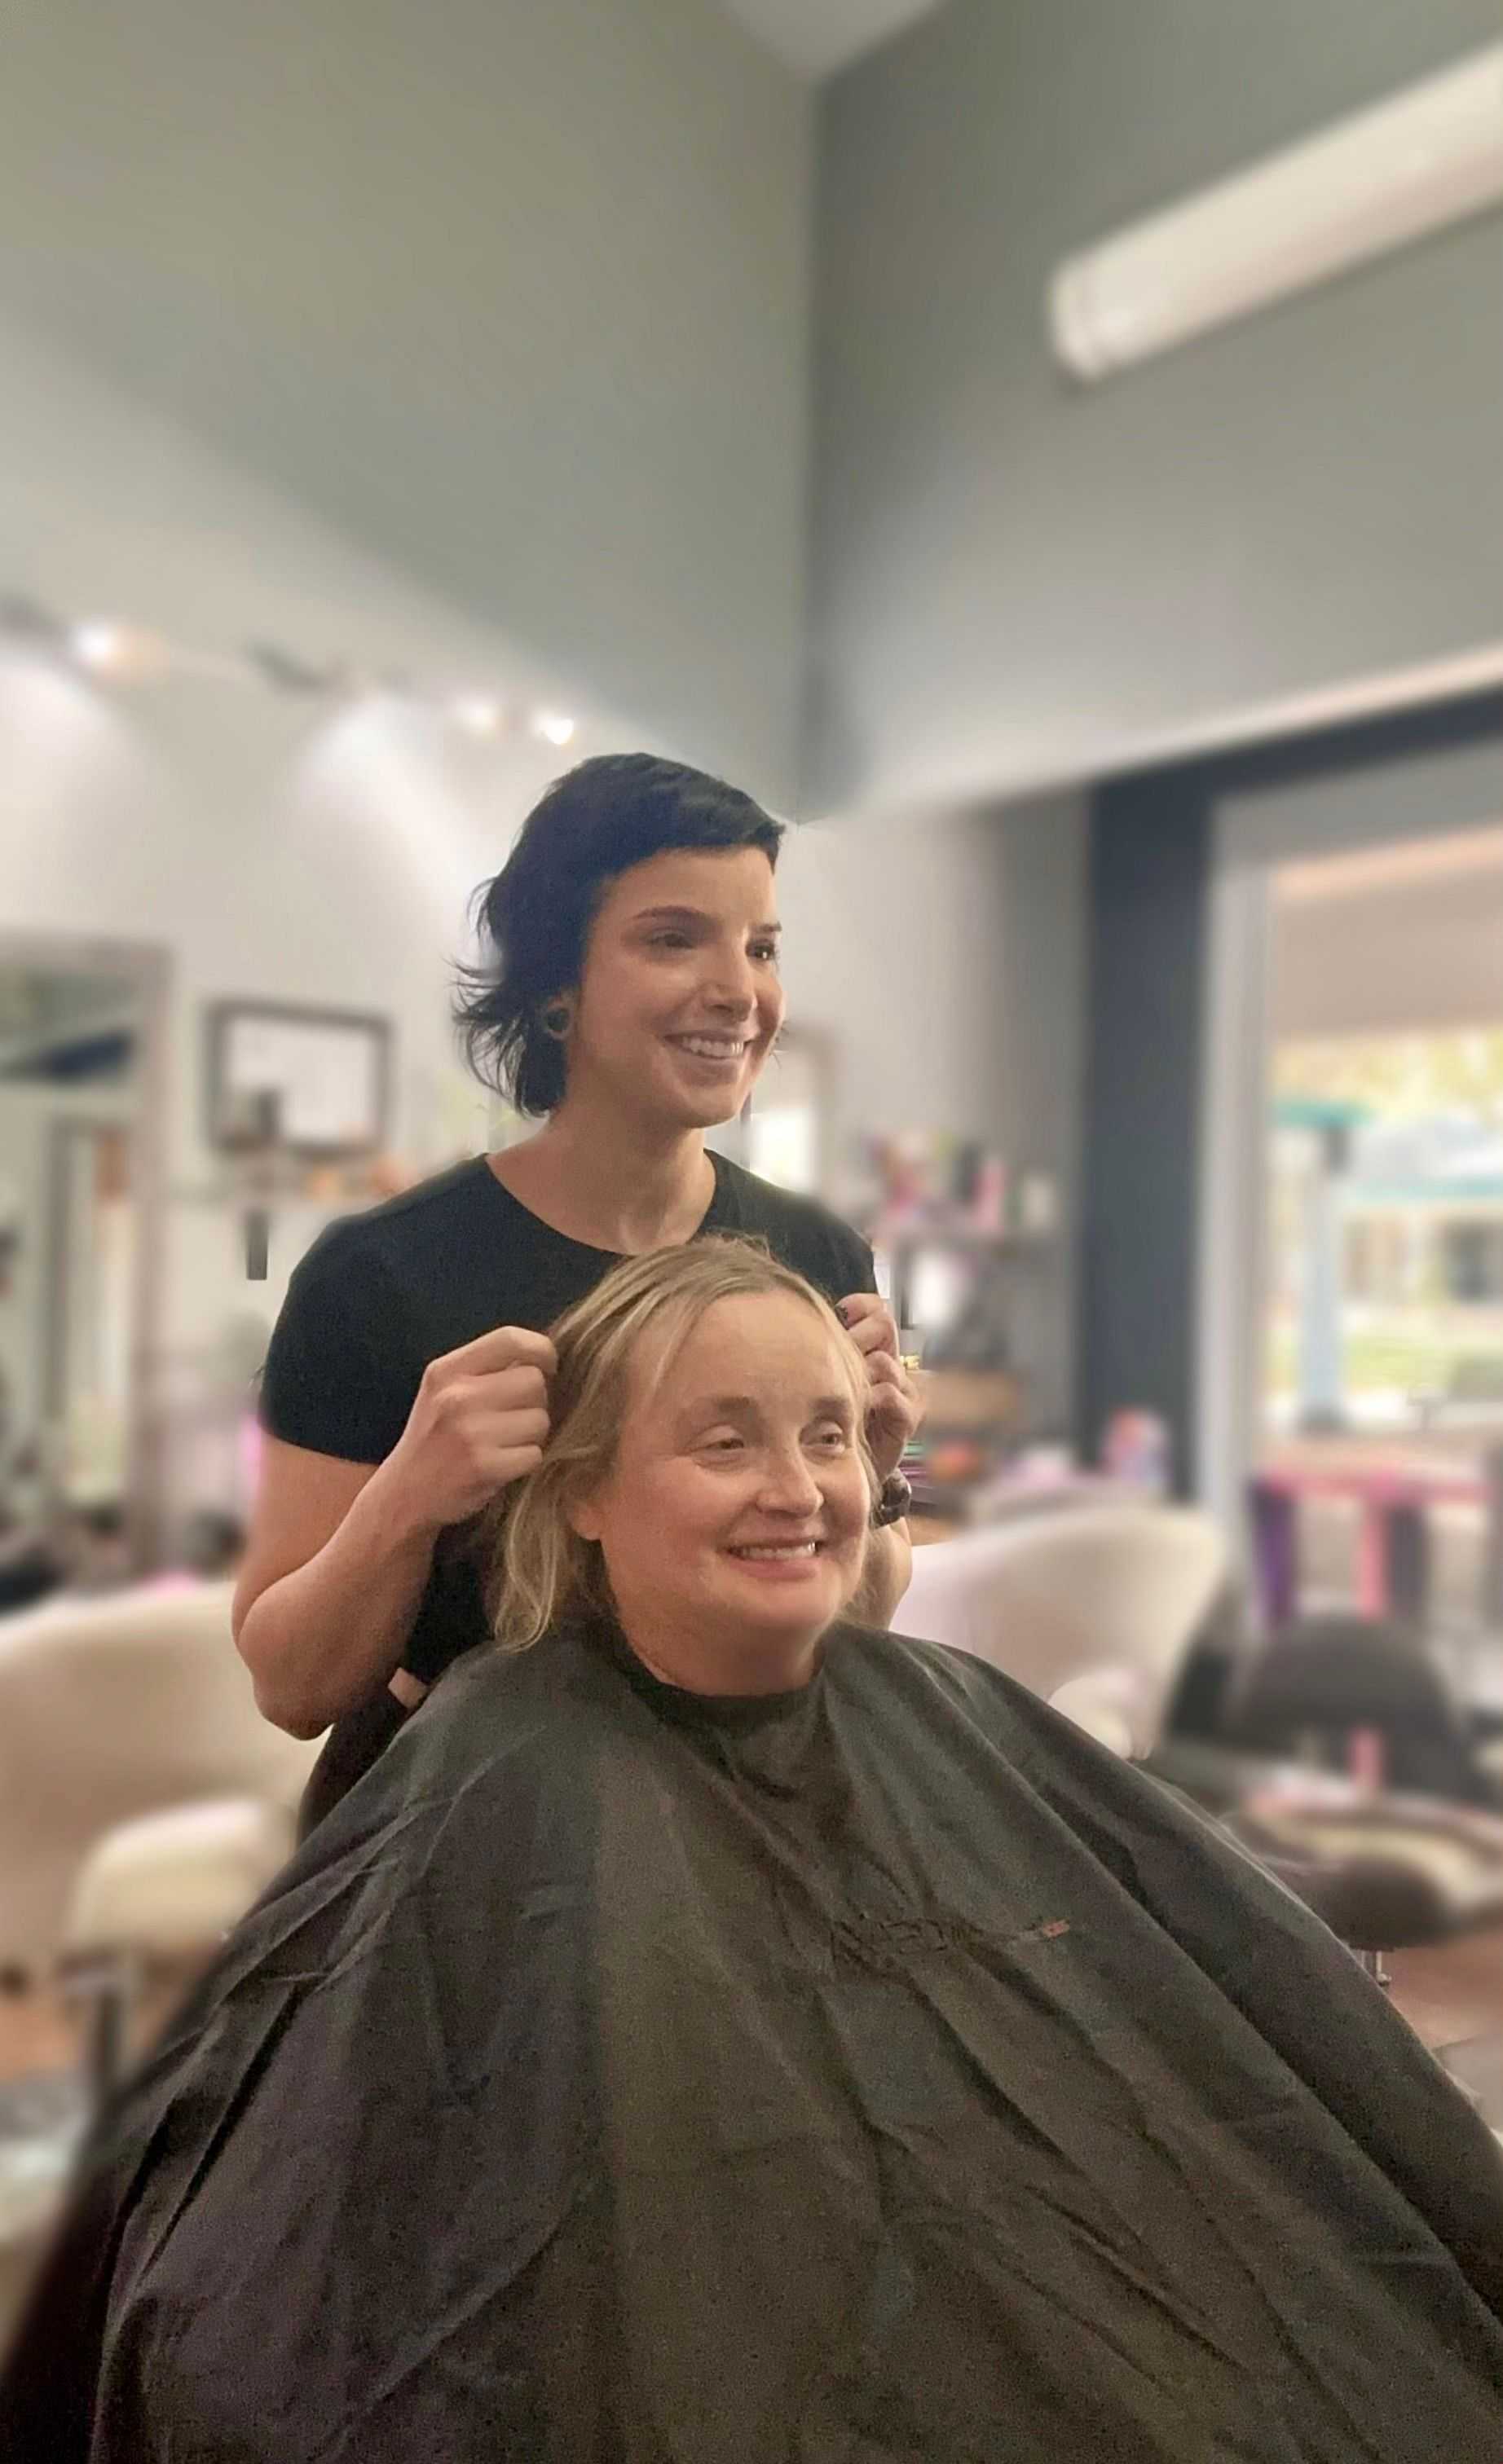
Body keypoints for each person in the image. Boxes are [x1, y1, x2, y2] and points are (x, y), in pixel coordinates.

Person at [7, 1239, 1503, 2461]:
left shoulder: (948, 1718)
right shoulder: (501, 1773)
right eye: (726, 1443)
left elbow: (1243, 2006)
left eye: (833, 1437)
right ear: (582, 1493)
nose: (797, 1488)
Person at [233, 752, 920, 1831]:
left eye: (762, 947)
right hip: (453, 1853)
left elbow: (851, 1626)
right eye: (672, 938)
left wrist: (866, 1482)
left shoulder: (816, 1260)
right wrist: (410, 1496)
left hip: (734, 1828)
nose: (739, 990)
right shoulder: (380, 1278)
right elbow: (290, 1688)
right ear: (557, 982)